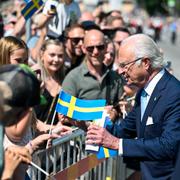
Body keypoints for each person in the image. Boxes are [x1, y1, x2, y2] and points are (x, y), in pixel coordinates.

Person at [86, 34, 180, 180]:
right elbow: (123, 130)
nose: (120, 71)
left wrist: (117, 144)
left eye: (124, 65)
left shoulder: (174, 93)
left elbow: (168, 145)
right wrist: (86, 125)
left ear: (146, 63)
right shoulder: (143, 92)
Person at [62, 29, 124, 122]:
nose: (95, 52)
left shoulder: (115, 77)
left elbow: (120, 106)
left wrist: (114, 112)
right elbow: (63, 116)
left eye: (100, 47)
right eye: (90, 48)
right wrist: (98, 112)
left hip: (109, 134)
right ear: (83, 49)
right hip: (84, 134)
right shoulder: (73, 78)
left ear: (106, 47)